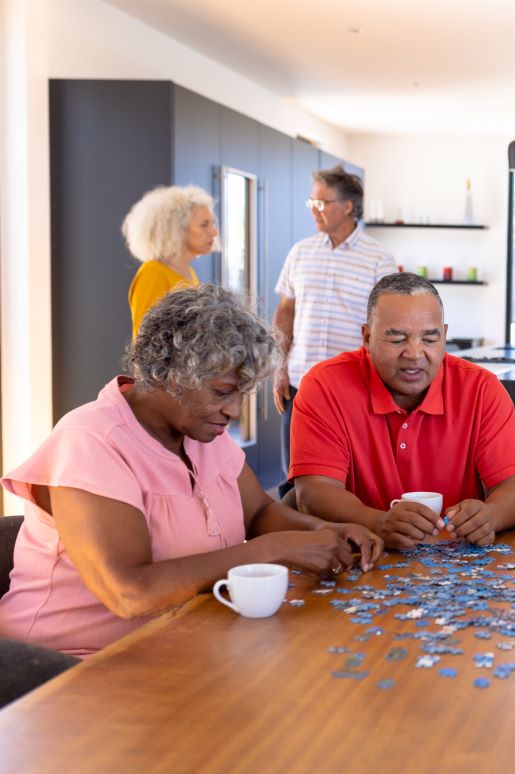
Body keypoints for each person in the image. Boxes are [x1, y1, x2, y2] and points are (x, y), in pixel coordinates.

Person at [0, 285, 382, 658]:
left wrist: (323, 531)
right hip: (67, 669)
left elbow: (260, 513)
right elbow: (130, 592)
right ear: (170, 373)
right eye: (221, 392)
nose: (233, 411)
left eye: (241, 394)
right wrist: (270, 550)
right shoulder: (90, 441)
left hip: (180, 644)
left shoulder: (202, 433)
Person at [290, 273, 515, 548]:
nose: (415, 354)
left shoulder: (481, 388)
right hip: (357, 559)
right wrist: (377, 522)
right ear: (367, 337)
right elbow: (313, 492)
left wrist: (491, 516)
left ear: (444, 335)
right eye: (397, 340)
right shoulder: (324, 386)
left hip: (459, 566)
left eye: (429, 339)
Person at [273, 165, 396, 492]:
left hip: (353, 386)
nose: (315, 210)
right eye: (311, 202)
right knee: (295, 482)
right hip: (300, 383)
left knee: (349, 481)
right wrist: (278, 366)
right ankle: (297, 542)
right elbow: (285, 312)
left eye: (322, 202)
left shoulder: (379, 260)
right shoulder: (300, 252)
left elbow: (386, 325)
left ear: (348, 206)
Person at [123, 184, 218, 337]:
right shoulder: (153, 272)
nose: (214, 232)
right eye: (204, 225)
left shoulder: (189, 273)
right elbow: (144, 343)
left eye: (212, 223)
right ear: (175, 229)